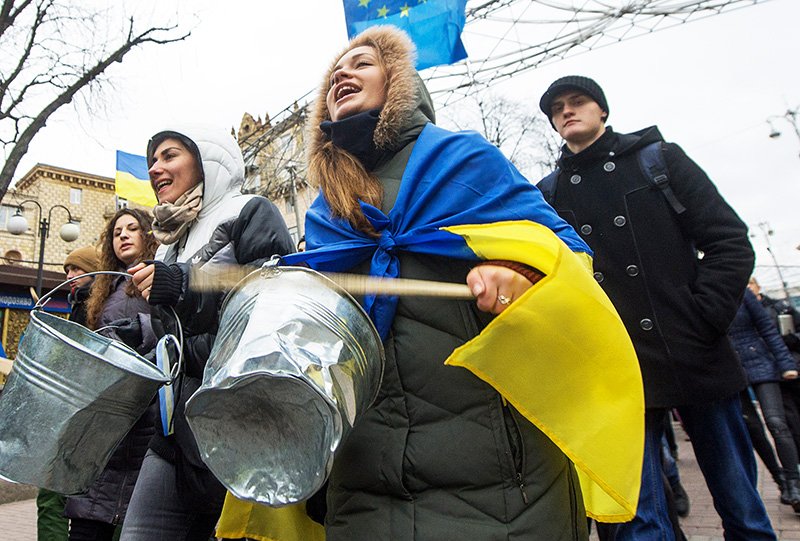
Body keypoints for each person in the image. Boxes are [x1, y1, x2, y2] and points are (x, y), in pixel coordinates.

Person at [278, 26, 646, 541]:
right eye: (336, 72)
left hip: (498, 475)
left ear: (400, 83)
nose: (342, 73)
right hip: (364, 477)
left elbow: (567, 255)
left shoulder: (463, 160)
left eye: (362, 63)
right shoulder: (323, 215)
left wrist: (520, 275)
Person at [537, 75, 775, 540]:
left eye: (578, 101)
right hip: (613, 368)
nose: (567, 111)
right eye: (557, 107)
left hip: (694, 352)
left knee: (741, 506)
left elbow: (728, 241)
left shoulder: (659, 160)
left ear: (602, 110)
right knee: (635, 519)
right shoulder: (549, 194)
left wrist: (704, 316)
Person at [122, 125, 295, 541]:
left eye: (168, 156)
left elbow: (270, 302)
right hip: (172, 434)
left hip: (235, 430)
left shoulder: (249, 211)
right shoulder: (166, 244)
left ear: (206, 160)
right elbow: (174, 339)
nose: (155, 168)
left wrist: (182, 285)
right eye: (152, 161)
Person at [63, 209, 158, 541]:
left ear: (148, 235)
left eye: (133, 228)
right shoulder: (106, 287)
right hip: (105, 422)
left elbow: (171, 337)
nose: (123, 235)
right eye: (117, 231)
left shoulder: (158, 282)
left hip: (142, 422)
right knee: (90, 524)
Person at [36, 245, 100, 541]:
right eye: (67, 270)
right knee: (51, 497)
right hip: (70, 415)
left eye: (77, 269)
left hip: (92, 418)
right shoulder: (76, 306)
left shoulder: (101, 307)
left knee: (93, 506)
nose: (70, 275)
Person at [729, 287, 800, 509]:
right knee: (752, 429)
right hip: (731, 369)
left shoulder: (744, 294)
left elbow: (768, 329)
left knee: (776, 422)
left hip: (761, 363)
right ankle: (780, 480)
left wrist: (786, 363)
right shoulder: (704, 294)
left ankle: (794, 481)